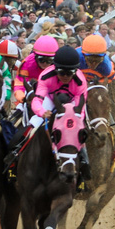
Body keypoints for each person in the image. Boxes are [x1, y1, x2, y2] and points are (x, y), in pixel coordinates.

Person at [29, 46, 91, 189]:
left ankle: (84, 162)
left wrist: (75, 120)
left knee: (79, 130)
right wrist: (42, 112)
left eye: (69, 73)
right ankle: (17, 153)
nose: (65, 76)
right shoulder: (46, 76)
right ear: (55, 68)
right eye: (61, 72)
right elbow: (37, 100)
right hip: (50, 100)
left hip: (72, 103)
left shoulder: (80, 82)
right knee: (34, 123)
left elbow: (80, 109)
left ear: (76, 71)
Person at [12, 35, 59, 108]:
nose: (44, 63)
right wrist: (23, 98)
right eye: (41, 59)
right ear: (35, 56)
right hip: (30, 95)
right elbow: (19, 84)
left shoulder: (58, 65)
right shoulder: (27, 63)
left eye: (49, 60)